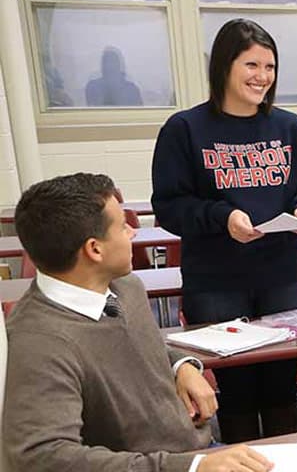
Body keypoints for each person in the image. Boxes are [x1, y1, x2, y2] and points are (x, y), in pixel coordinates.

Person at [4, 173, 273, 472]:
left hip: (192, 451)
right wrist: (191, 467)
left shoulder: (124, 287)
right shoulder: (40, 342)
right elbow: (42, 458)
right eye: (122, 226)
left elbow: (138, 346)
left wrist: (180, 365)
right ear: (95, 249)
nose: (132, 232)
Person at [151, 18, 297, 443]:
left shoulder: (290, 128)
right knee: (237, 388)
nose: (262, 77)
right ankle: (241, 462)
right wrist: (222, 218)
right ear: (224, 67)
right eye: (252, 65)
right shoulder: (185, 130)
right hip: (216, 280)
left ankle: (286, 460)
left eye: (270, 67)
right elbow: (169, 207)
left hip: (282, 274)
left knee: (282, 384)